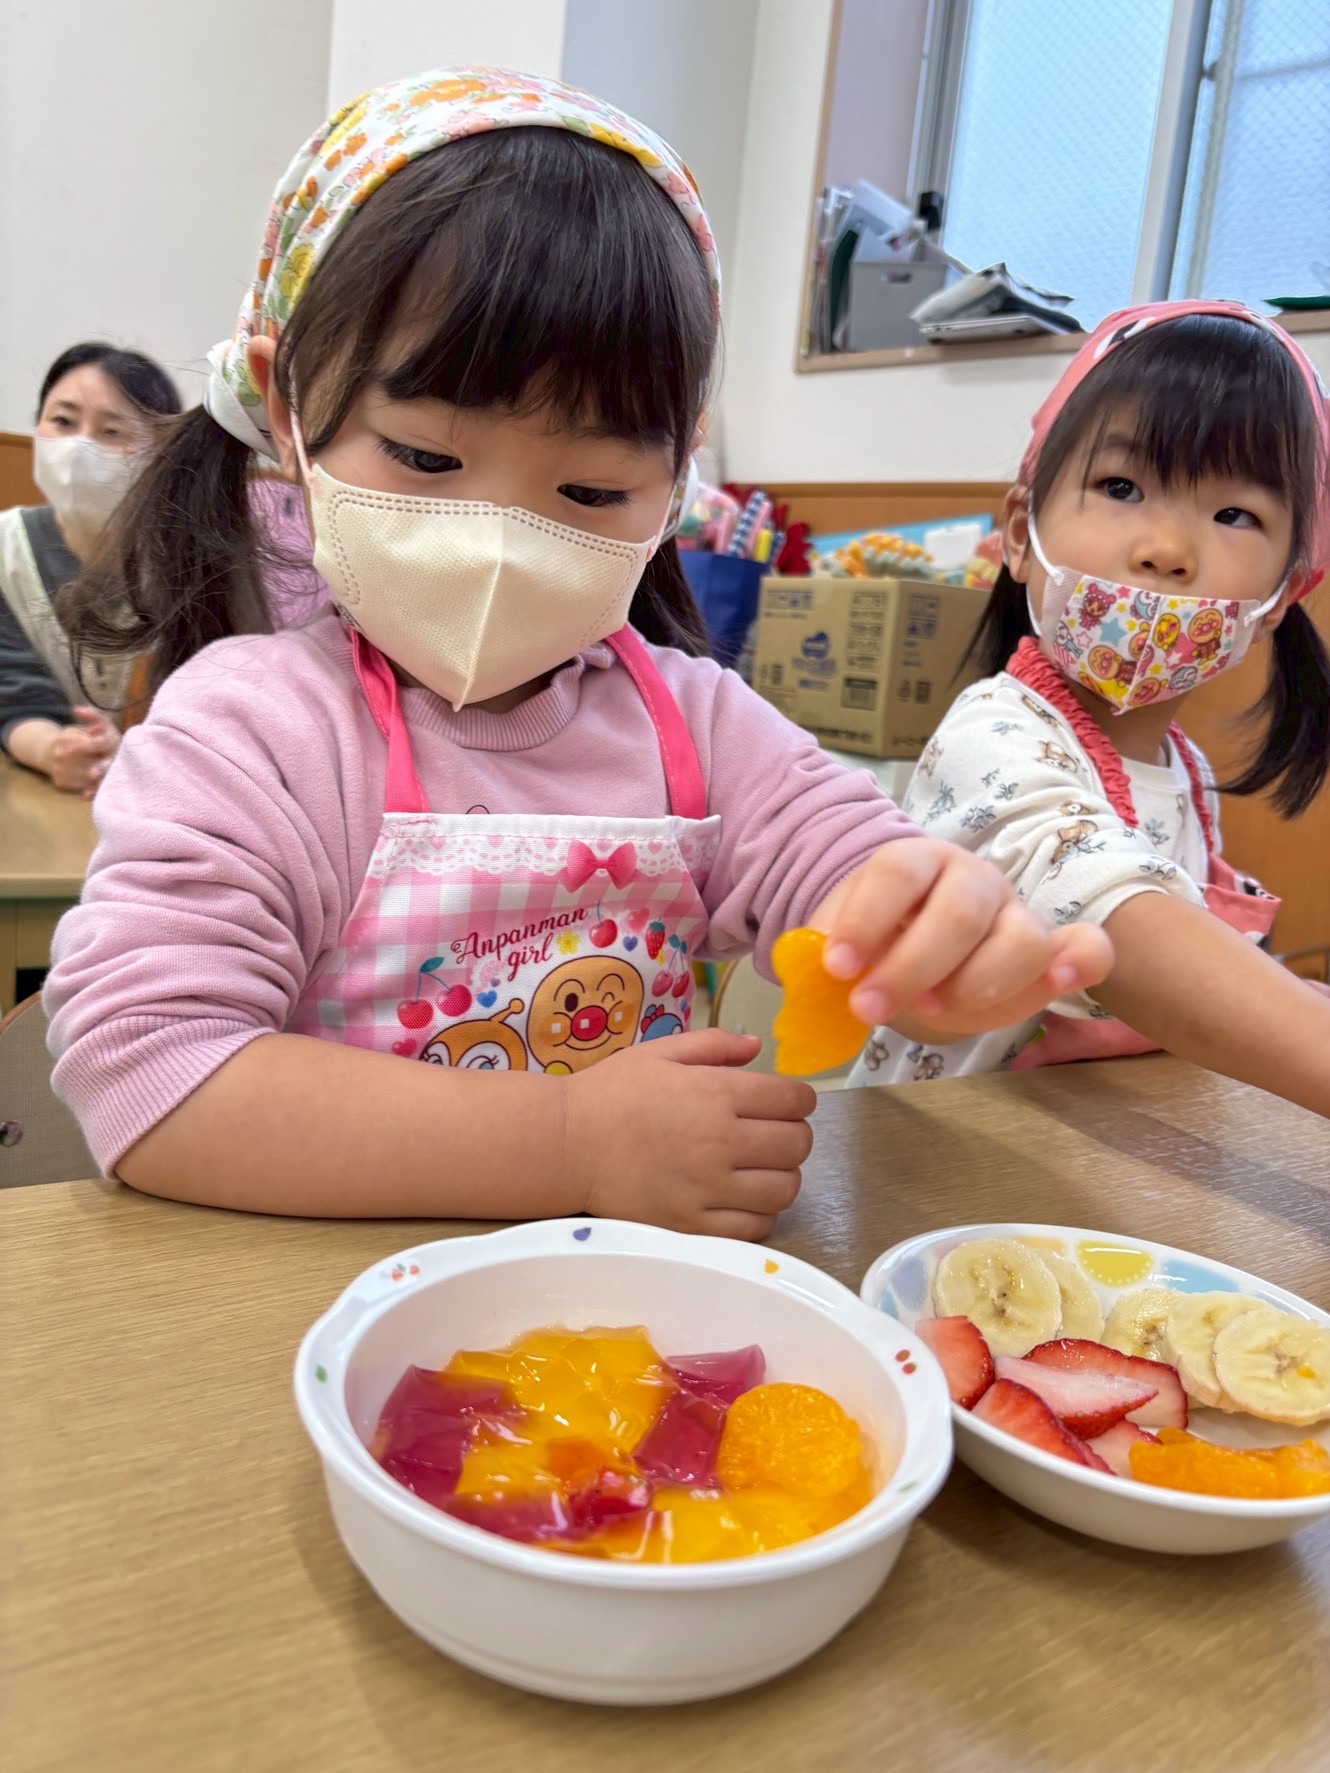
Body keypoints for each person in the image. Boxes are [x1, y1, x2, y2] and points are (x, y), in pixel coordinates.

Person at [44, 68, 1108, 1233]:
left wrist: (925, 931)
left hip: (618, 1318)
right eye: (426, 460)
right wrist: (568, 1145)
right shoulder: (250, 731)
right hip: (315, 1313)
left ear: (677, 475)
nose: (498, 539)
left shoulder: (697, 725)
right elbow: (152, 1077)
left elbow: (843, 860)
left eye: (591, 490)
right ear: (285, 407)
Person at [850, 301, 1330, 1121]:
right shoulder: (992, 734)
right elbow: (1116, 920)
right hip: (935, 1153)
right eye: (1121, 487)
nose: (1166, 550)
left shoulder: (1186, 770)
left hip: (1084, 1145)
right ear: (1019, 533)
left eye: (1234, 514)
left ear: (1281, 597)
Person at [0, 343, 180, 793]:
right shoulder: (6, 549)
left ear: (159, 453)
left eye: (112, 431)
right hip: (48, 792)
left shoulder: (191, 563)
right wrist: (55, 749)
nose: (79, 446)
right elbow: (12, 691)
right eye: (63, 422)